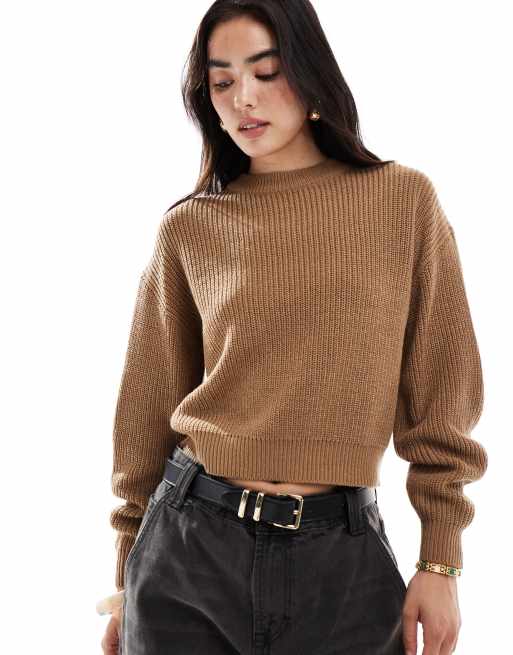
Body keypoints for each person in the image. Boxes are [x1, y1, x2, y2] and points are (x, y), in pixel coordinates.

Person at [98, 1, 488, 653]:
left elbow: (443, 392)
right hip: (187, 553)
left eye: (265, 71)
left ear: (310, 75)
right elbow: (144, 411)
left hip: (342, 562)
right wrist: (123, 578)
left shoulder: (402, 202)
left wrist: (440, 559)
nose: (243, 99)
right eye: (222, 81)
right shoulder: (190, 228)